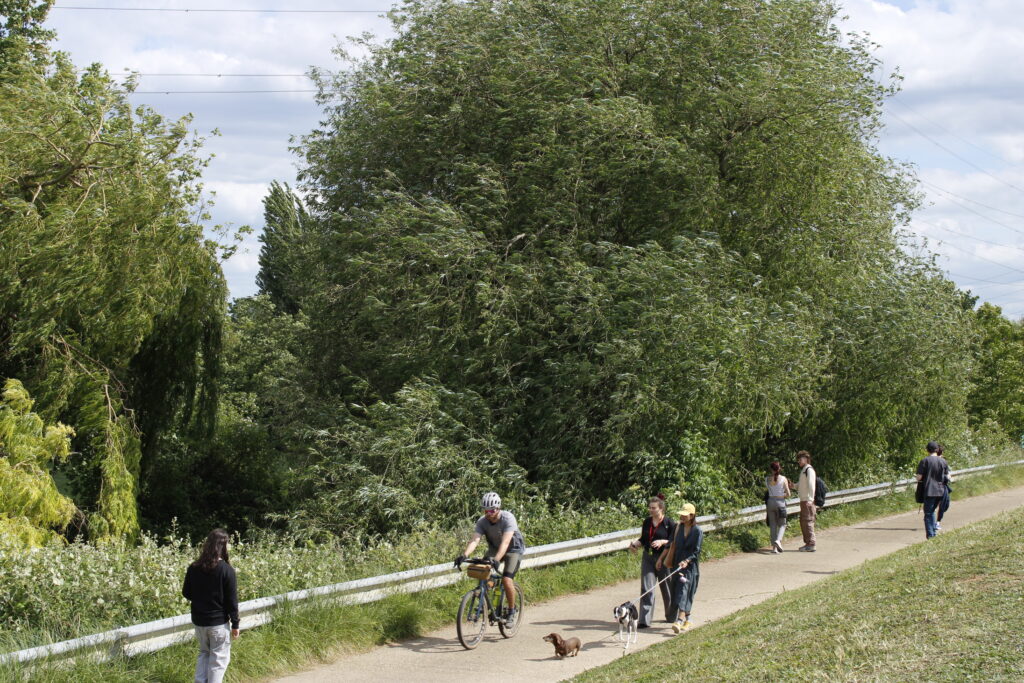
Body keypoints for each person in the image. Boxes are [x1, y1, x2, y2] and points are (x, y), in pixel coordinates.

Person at [454, 491, 526, 625]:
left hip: (513, 548)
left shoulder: (508, 518)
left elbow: (505, 543)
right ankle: (484, 601)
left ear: (498, 508)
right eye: (486, 510)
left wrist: (497, 560)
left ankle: (511, 611)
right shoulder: (482, 522)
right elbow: (475, 540)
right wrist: (464, 555)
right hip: (495, 548)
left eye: (492, 510)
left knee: (506, 579)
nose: (489, 514)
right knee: (485, 574)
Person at [182, 528, 239, 683]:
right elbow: (231, 601)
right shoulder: (227, 570)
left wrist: (201, 598)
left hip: (199, 622)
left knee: (204, 654)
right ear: (223, 546)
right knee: (218, 660)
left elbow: (186, 593)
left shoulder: (194, 567)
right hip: (218, 624)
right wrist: (235, 624)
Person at [628, 495, 676, 627]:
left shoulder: (669, 523)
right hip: (648, 558)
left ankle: (671, 616)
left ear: (661, 508)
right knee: (647, 588)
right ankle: (644, 620)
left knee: (666, 587)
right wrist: (635, 544)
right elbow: (643, 539)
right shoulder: (647, 522)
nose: (650, 510)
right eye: (649, 508)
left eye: (653, 508)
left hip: (664, 558)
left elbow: (674, 541)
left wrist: (662, 541)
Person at [660, 502, 702, 634]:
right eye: (681, 515)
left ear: (692, 515)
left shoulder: (697, 531)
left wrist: (687, 561)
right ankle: (688, 618)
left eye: (685, 515)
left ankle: (678, 621)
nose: (682, 517)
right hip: (676, 565)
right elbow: (671, 544)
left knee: (684, 591)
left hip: (689, 568)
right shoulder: (678, 527)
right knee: (676, 592)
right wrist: (661, 559)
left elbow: (696, 551)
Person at [916, 441, 949, 539]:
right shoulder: (943, 461)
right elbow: (947, 475)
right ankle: (933, 532)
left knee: (929, 513)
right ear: (937, 450)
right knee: (933, 511)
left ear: (927, 450)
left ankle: (931, 535)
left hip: (929, 490)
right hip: (941, 490)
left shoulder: (924, 461)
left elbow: (919, 477)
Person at [765, 461, 791, 554]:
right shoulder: (783, 479)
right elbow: (788, 494)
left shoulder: (767, 479)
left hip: (770, 502)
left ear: (771, 469)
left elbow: (768, 490)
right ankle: (778, 540)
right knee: (783, 524)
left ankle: (774, 548)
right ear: (779, 469)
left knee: (773, 525)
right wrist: (781, 495)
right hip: (780, 503)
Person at [795, 450, 816, 552]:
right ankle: (808, 543)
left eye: (800, 459)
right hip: (804, 499)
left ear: (805, 459)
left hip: (807, 500)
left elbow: (812, 485)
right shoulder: (804, 470)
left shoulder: (809, 470)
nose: (798, 461)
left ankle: (811, 543)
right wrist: (793, 486)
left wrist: (810, 499)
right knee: (804, 521)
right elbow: (800, 484)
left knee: (808, 521)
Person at [935, 444, 952, 530]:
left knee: (935, 505)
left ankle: (934, 521)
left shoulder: (928, 460)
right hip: (941, 486)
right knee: (943, 505)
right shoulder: (943, 461)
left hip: (932, 487)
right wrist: (948, 477)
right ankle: (937, 522)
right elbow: (947, 474)